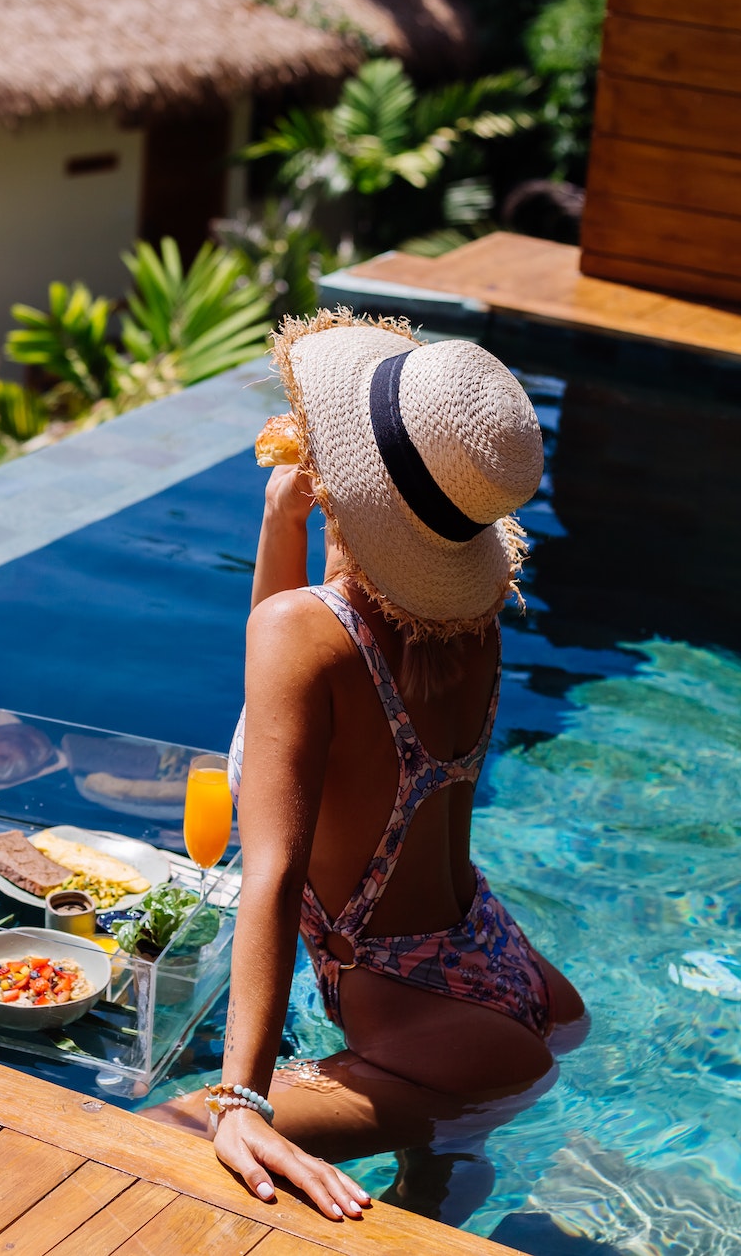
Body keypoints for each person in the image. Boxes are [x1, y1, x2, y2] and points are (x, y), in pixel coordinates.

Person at [146, 312, 585, 1221]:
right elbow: (280, 699)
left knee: (159, 1144)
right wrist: (284, 519)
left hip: (430, 1025)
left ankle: (437, 1161)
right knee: (424, 1176)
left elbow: (271, 874)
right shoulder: (473, 625)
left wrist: (239, 1101)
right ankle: (443, 1167)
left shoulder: (306, 636)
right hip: (513, 984)